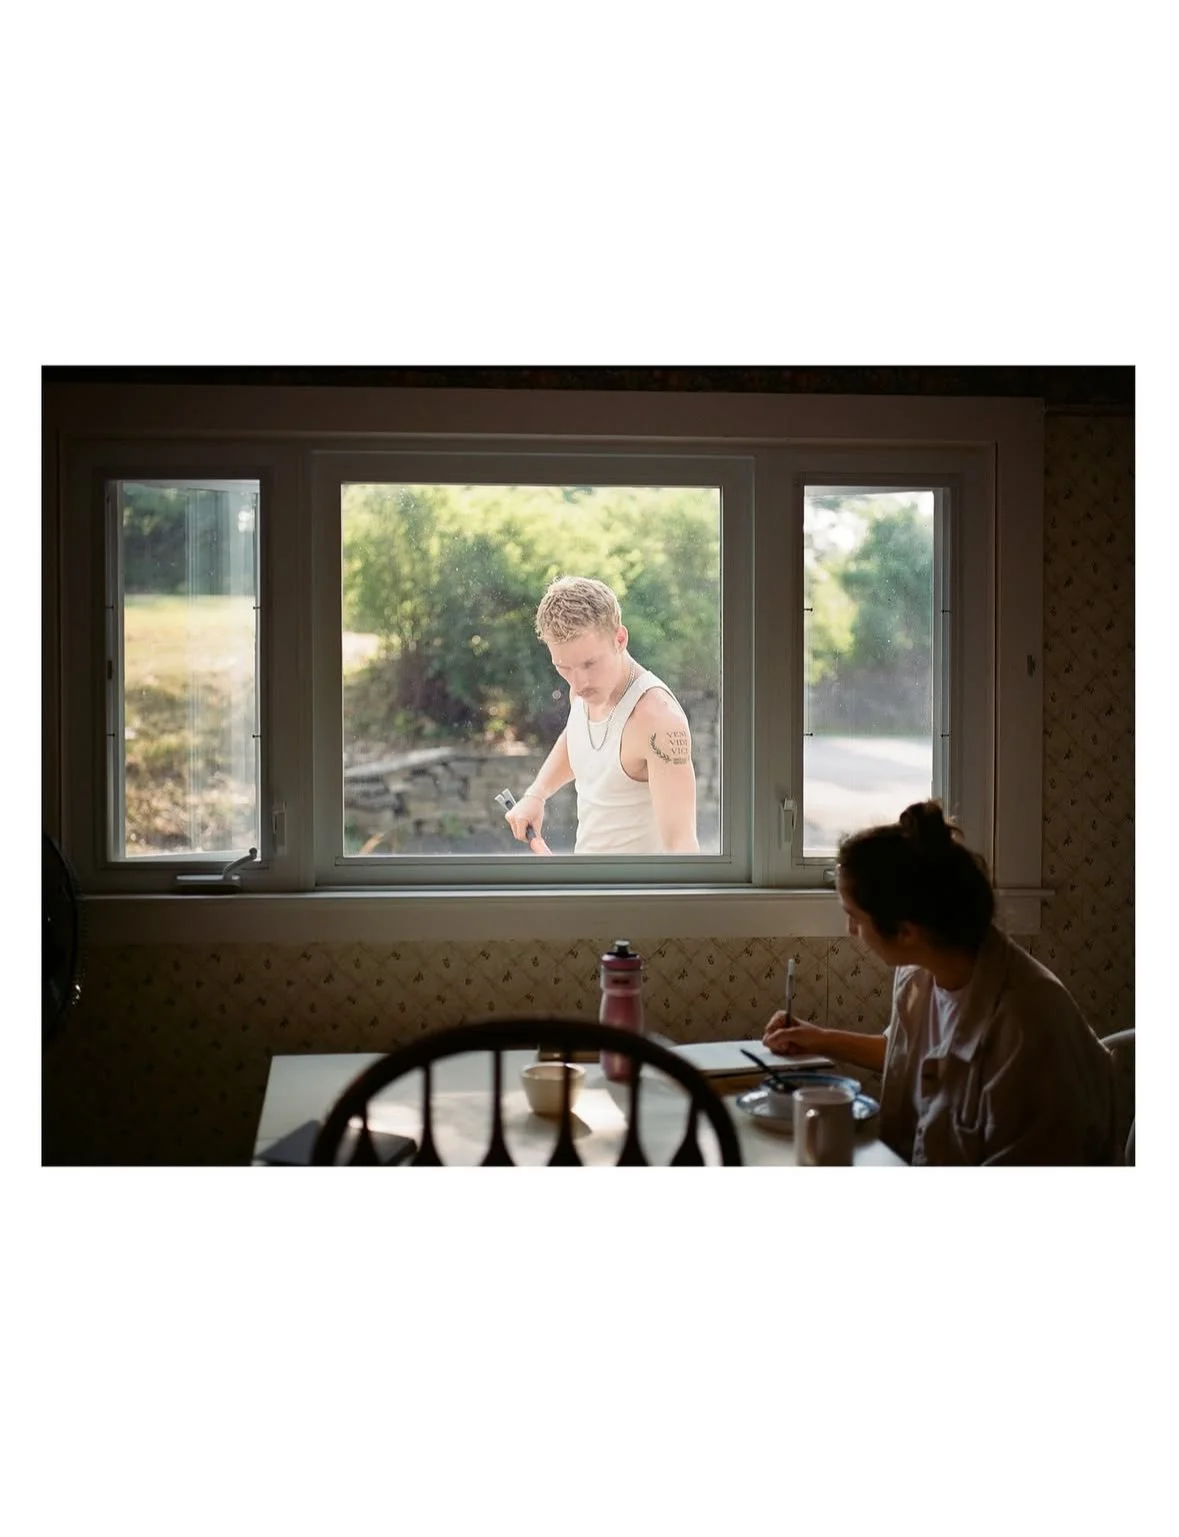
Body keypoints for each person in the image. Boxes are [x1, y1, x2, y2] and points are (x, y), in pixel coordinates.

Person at [763, 800, 1118, 1165]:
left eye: (854, 917)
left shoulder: (1028, 1029)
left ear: (906, 932)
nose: (851, 930)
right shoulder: (923, 970)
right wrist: (816, 1038)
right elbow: (907, 1056)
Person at [503, 576, 698, 854]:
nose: (578, 683)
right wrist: (537, 794)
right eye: (564, 668)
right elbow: (578, 739)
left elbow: (682, 846)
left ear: (620, 639)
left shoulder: (659, 720)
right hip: (586, 879)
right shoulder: (584, 690)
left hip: (637, 884)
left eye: (589, 664)